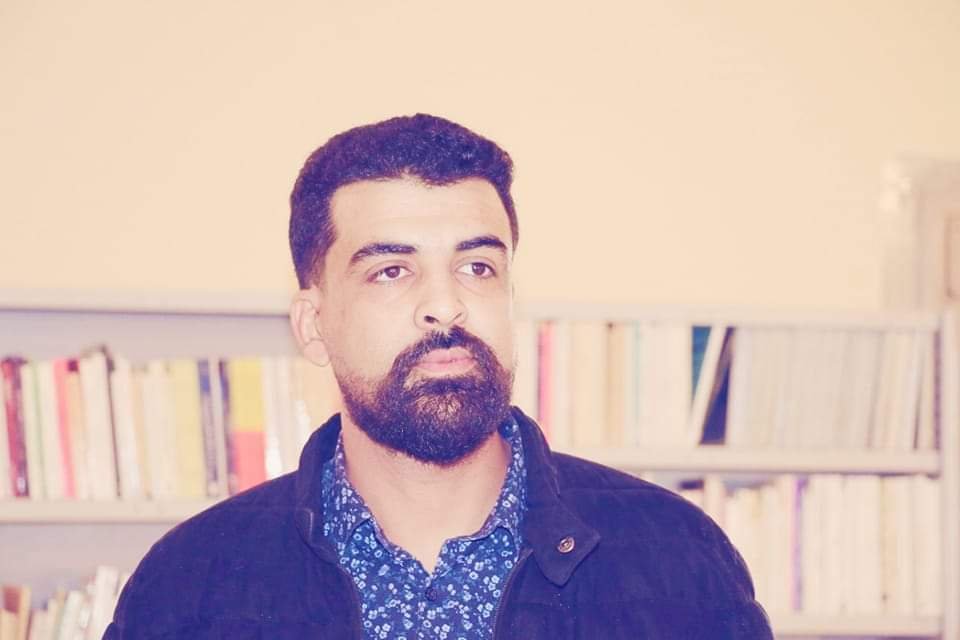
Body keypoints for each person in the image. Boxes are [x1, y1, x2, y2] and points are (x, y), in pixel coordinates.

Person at [106, 114, 772, 639]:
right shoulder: (189, 585)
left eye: (477, 267)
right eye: (391, 271)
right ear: (313, 325)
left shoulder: (679, 558)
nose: (446, 304)